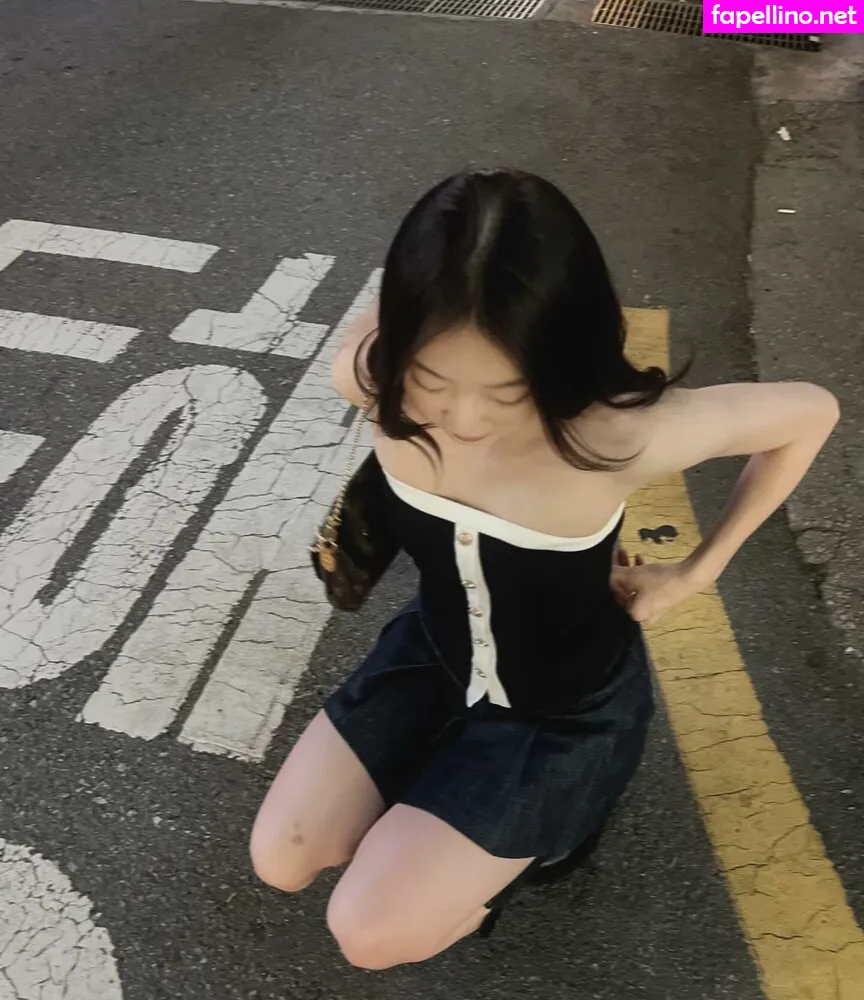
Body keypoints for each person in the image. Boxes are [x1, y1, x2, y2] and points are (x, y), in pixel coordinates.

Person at [249, 168, 839, 970]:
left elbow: (811, 414)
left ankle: (551, 832)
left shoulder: (614, 436)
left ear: (558, 356)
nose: (464, 418)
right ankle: (440, 824)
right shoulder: (366, 370)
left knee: (370, 931)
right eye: (432, 381)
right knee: (282, 860)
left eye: (505, 392)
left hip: (563, 709)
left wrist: (694, 573)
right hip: (433, 653)